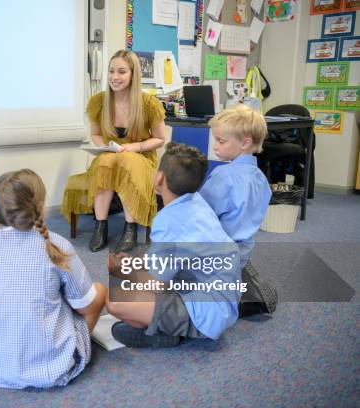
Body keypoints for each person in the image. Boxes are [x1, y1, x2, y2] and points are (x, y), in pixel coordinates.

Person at [0, 169, 107, 389]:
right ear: (40, 205)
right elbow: (86, 307)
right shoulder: (57, 245)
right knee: (98, 290)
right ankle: (71, 350)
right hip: (54, 367)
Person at [107, 143, 241, 347]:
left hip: (205, 315)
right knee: (136, 274)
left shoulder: (168, 221)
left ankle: (168, 332)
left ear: (159, 178)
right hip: (223, 301)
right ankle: (163, 325)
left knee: (115, 301)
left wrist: (124, 272)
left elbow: (156, 284)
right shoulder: (197, 201)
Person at [61, 50, 166, 253]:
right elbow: (96, 134)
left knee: (127, 161)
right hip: (110, 156)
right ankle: (101, 226)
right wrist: (105, 147)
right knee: (104, 162)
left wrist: (134, 147)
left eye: (121, 72)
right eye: (111, 71)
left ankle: (130, 228)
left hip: (141, 157)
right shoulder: (99, 101)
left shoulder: (149, 104)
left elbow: (160, 139)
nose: (114, 77)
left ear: (133, 75)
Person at [200, 104, 278, 316]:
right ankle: (239, 281)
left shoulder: (224, 175)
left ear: (245, 143)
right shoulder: (260, 177)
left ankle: (227, 294)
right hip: (244, 248)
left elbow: (202, 214)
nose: (215, 146)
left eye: (221, 141)